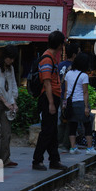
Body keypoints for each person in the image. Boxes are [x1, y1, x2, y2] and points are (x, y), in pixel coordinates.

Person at [32, 31, 68, 171]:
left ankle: (54, 160)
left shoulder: (51, 57)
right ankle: (37, 160)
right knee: (47, 131)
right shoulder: (47, 59)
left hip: (52, 97)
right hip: (48, 98)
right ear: (60, 44)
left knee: (52, 131)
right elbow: (47, 83)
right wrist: (51, 103)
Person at [64, 53, 96, 155]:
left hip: (70, 103)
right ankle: (89, 148)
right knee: (87, 124)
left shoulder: (68, 74)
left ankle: (73, 148)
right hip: (80, 102)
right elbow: (85, 92)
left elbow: (66, 90)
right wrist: (86, 107)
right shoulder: (83, 75)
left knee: (72, 124)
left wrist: (64, 103)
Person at [58, 42, 80, 150]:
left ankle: (58, 142)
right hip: (71, 97)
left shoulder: (60, 65)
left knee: (62, 118)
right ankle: (66, 144)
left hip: (61, 95)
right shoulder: (75, 68)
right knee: (70, 120)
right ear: (75, 55)